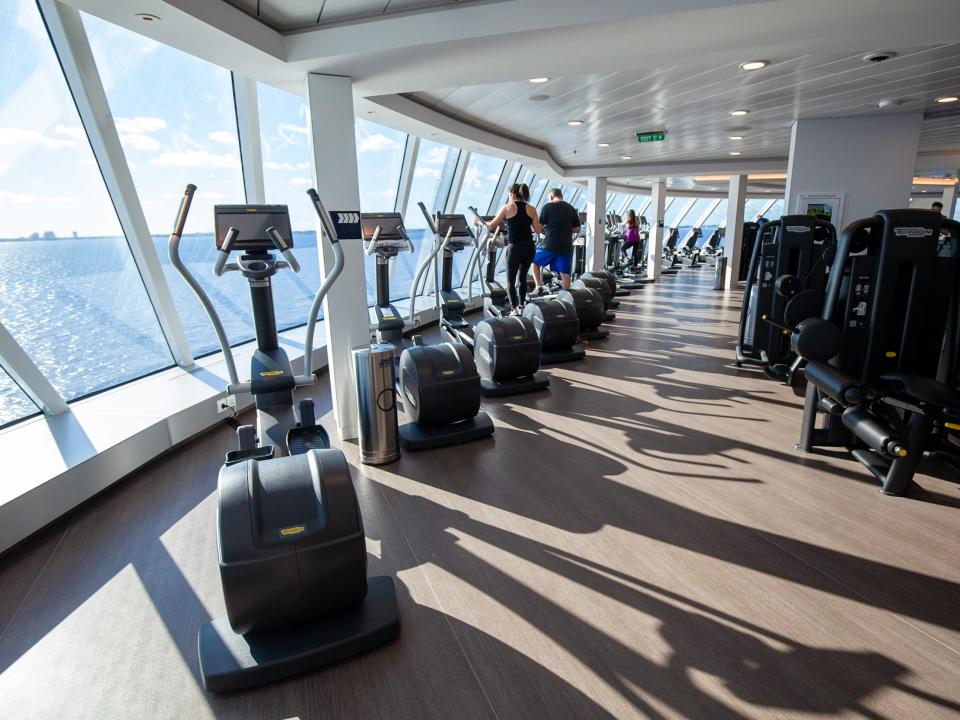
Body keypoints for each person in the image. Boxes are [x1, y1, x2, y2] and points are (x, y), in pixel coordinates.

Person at [480, 183, 542, 314]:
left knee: (510, 279)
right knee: (523, 278)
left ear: (513, 195)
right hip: (529, 247)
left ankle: (514, 308)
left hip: (515, 248)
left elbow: (491, 226)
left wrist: (478, 222)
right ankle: (521, 306)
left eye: (509, 195)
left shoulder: (507, 207)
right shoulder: (532, 209)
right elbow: (537, 230)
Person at [531, 188, 580, 296]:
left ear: (551, 196)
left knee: (534, 260)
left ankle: (538, 286)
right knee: (565, 274)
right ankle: (566, 300)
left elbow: (540, 226)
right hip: (565, 246)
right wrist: (566, 229)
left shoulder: (547, 207)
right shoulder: (571, 208)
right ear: (561, 195)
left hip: (549, 245)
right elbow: (577, 229)